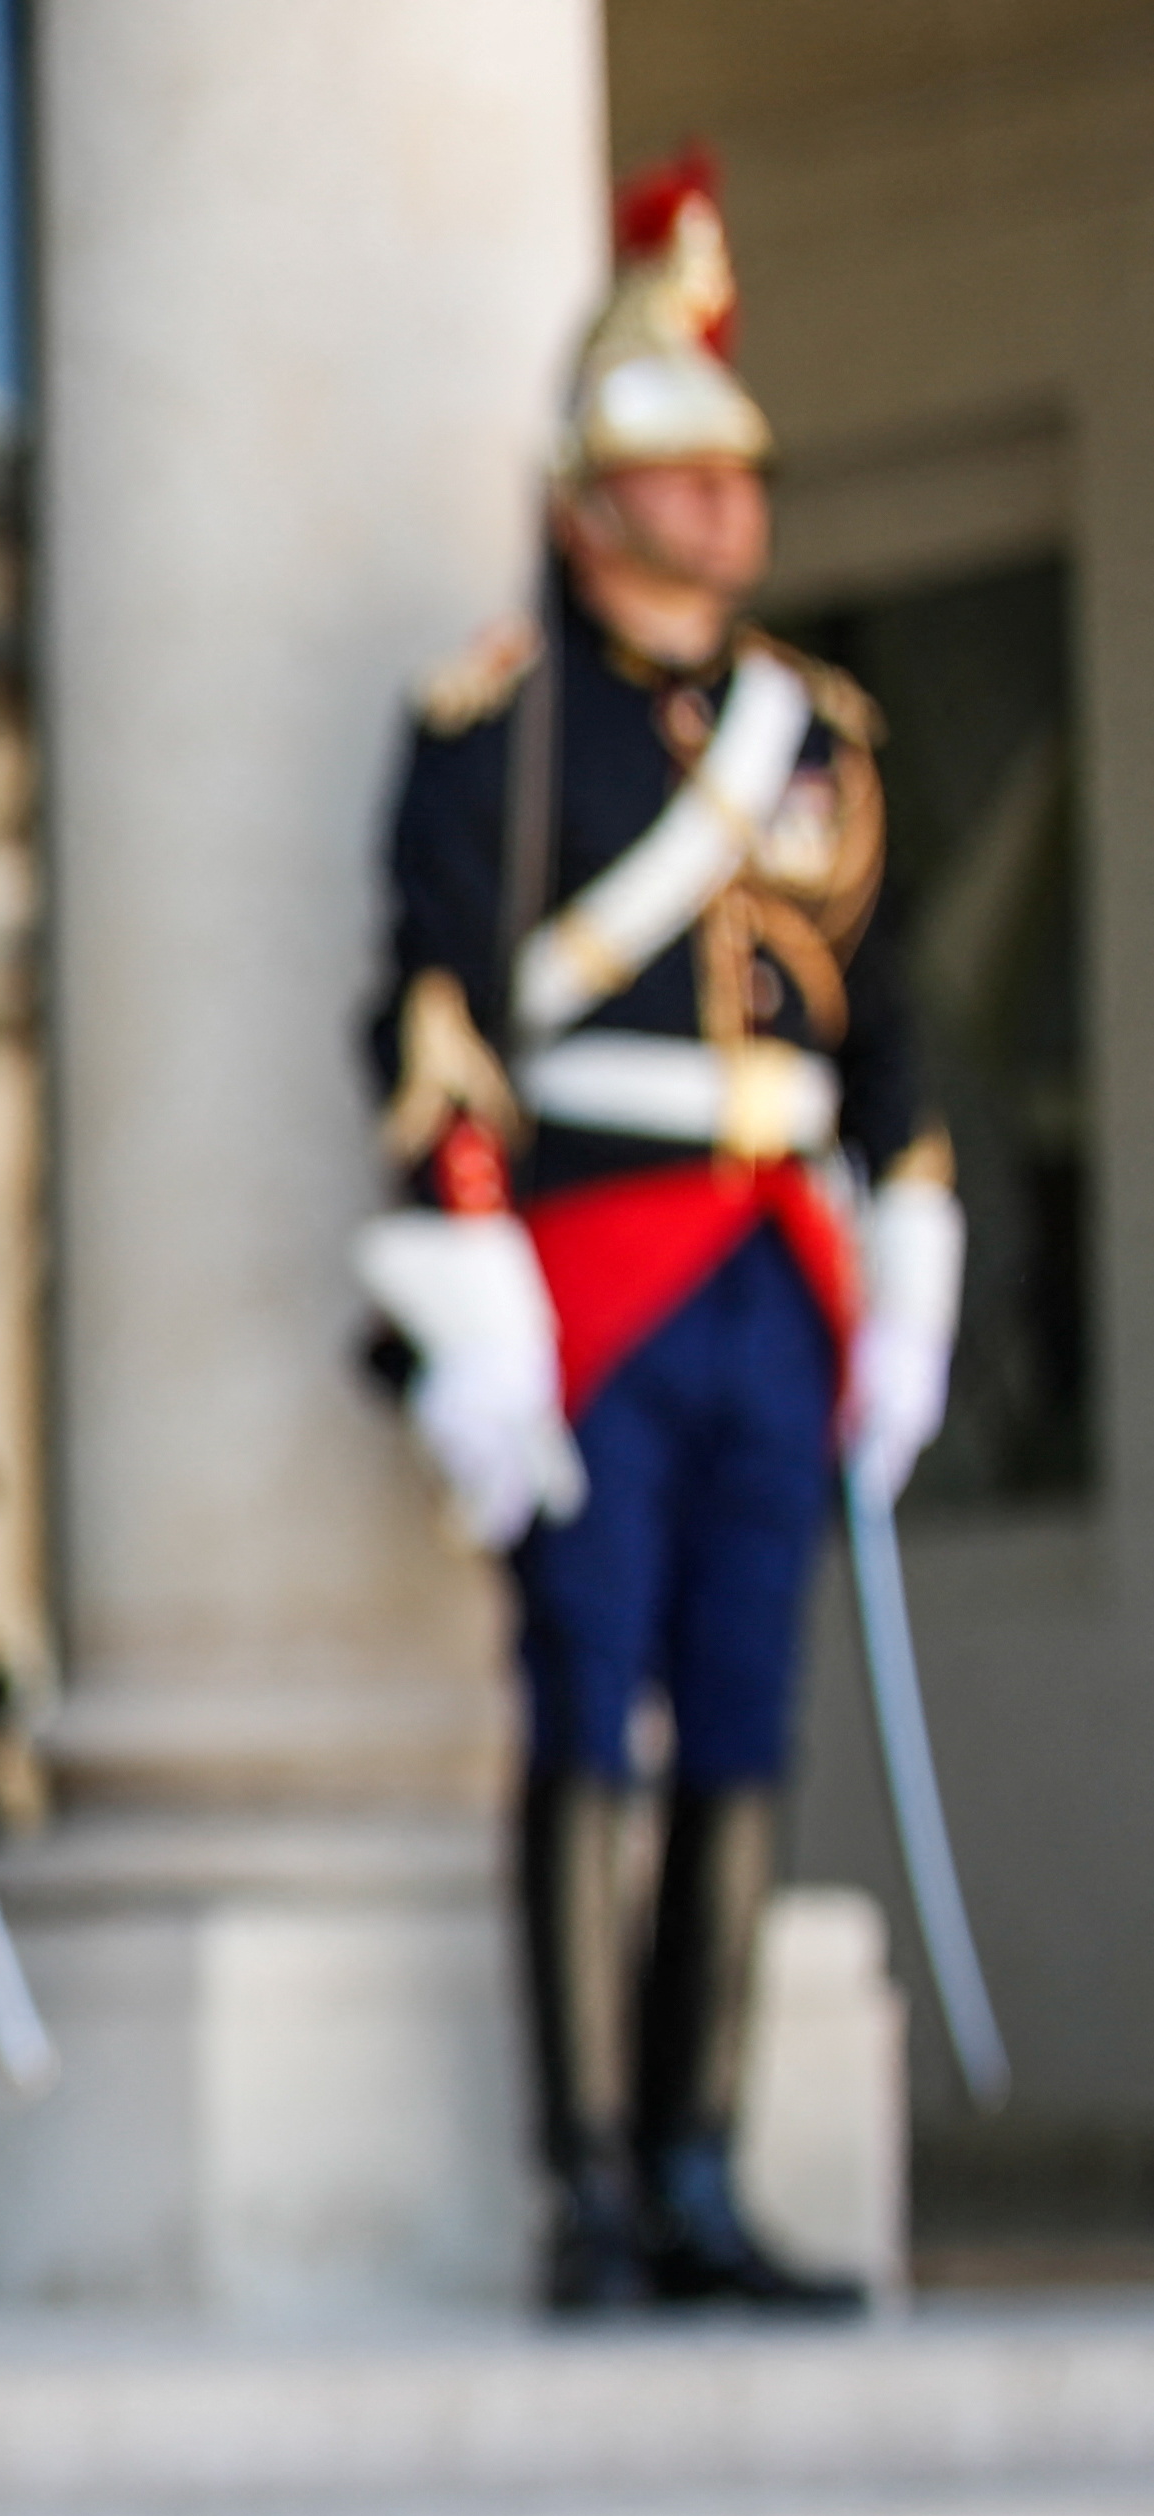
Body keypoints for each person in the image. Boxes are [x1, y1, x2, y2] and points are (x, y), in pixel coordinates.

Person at [353, 152, 933, 2320]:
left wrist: (918, 1256)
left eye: (731, 479)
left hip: (777, 1277)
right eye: (672, 480)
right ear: (593, 498)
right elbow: (427, 1016)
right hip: (593, 1275)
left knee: (743, 1725)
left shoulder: (832, 744)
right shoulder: (497, 730)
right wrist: (470, 1272)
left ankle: (699, 2166)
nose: (716, 515)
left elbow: (892, 1034)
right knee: (592, 1714)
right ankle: (590, 2182)